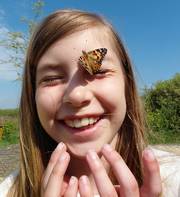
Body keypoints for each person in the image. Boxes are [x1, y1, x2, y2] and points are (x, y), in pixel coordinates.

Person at [0, 9, 179, 197]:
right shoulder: (9, 191)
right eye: (51, 78)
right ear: (32, 95)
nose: (76, 95)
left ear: (127, 84)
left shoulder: (174, 179)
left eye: (99, 72)